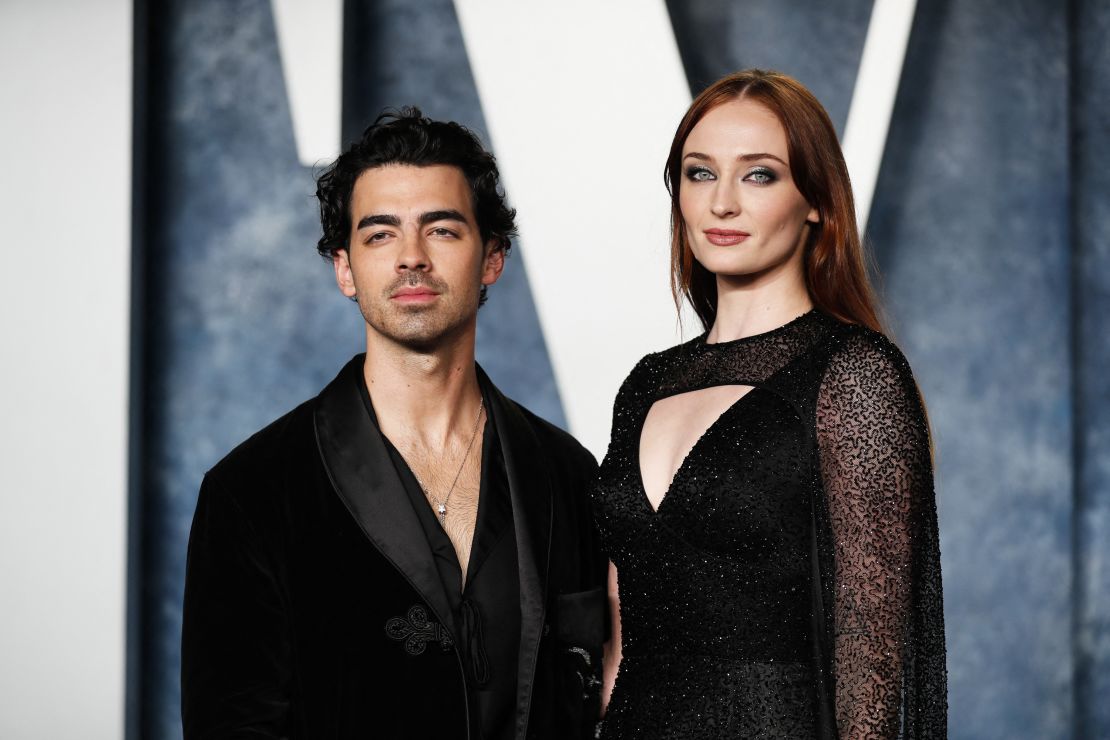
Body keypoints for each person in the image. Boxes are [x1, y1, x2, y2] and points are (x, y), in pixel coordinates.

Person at [181, 108, 607, 739]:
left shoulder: (568, 474)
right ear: (345, 268)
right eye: (380, 234)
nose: (412, 258)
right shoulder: (251, 492)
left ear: (492, 257)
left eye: (441, 230)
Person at [592, 70, 947, 738]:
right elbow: (619, 638)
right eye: (700, 174)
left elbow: (871, 658)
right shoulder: (646, 384)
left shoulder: (854, 376)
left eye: (758, 176)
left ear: (816, 201)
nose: (722, 203)